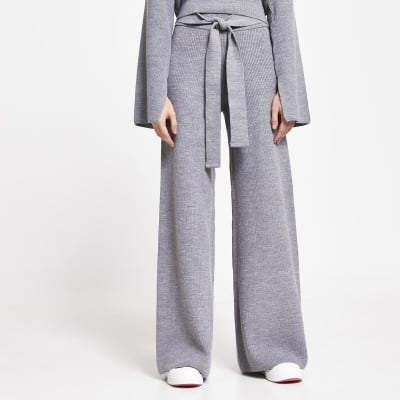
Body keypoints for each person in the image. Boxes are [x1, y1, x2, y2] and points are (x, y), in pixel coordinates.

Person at [134, 0, 310, 388]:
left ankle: (276, 346)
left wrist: (288, 88)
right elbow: (158, 7)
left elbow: (281, 6)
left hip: (256, 49)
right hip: (188, 51)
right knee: (186, 201)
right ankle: (183, 351)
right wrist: (155, 91)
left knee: (267, 200)